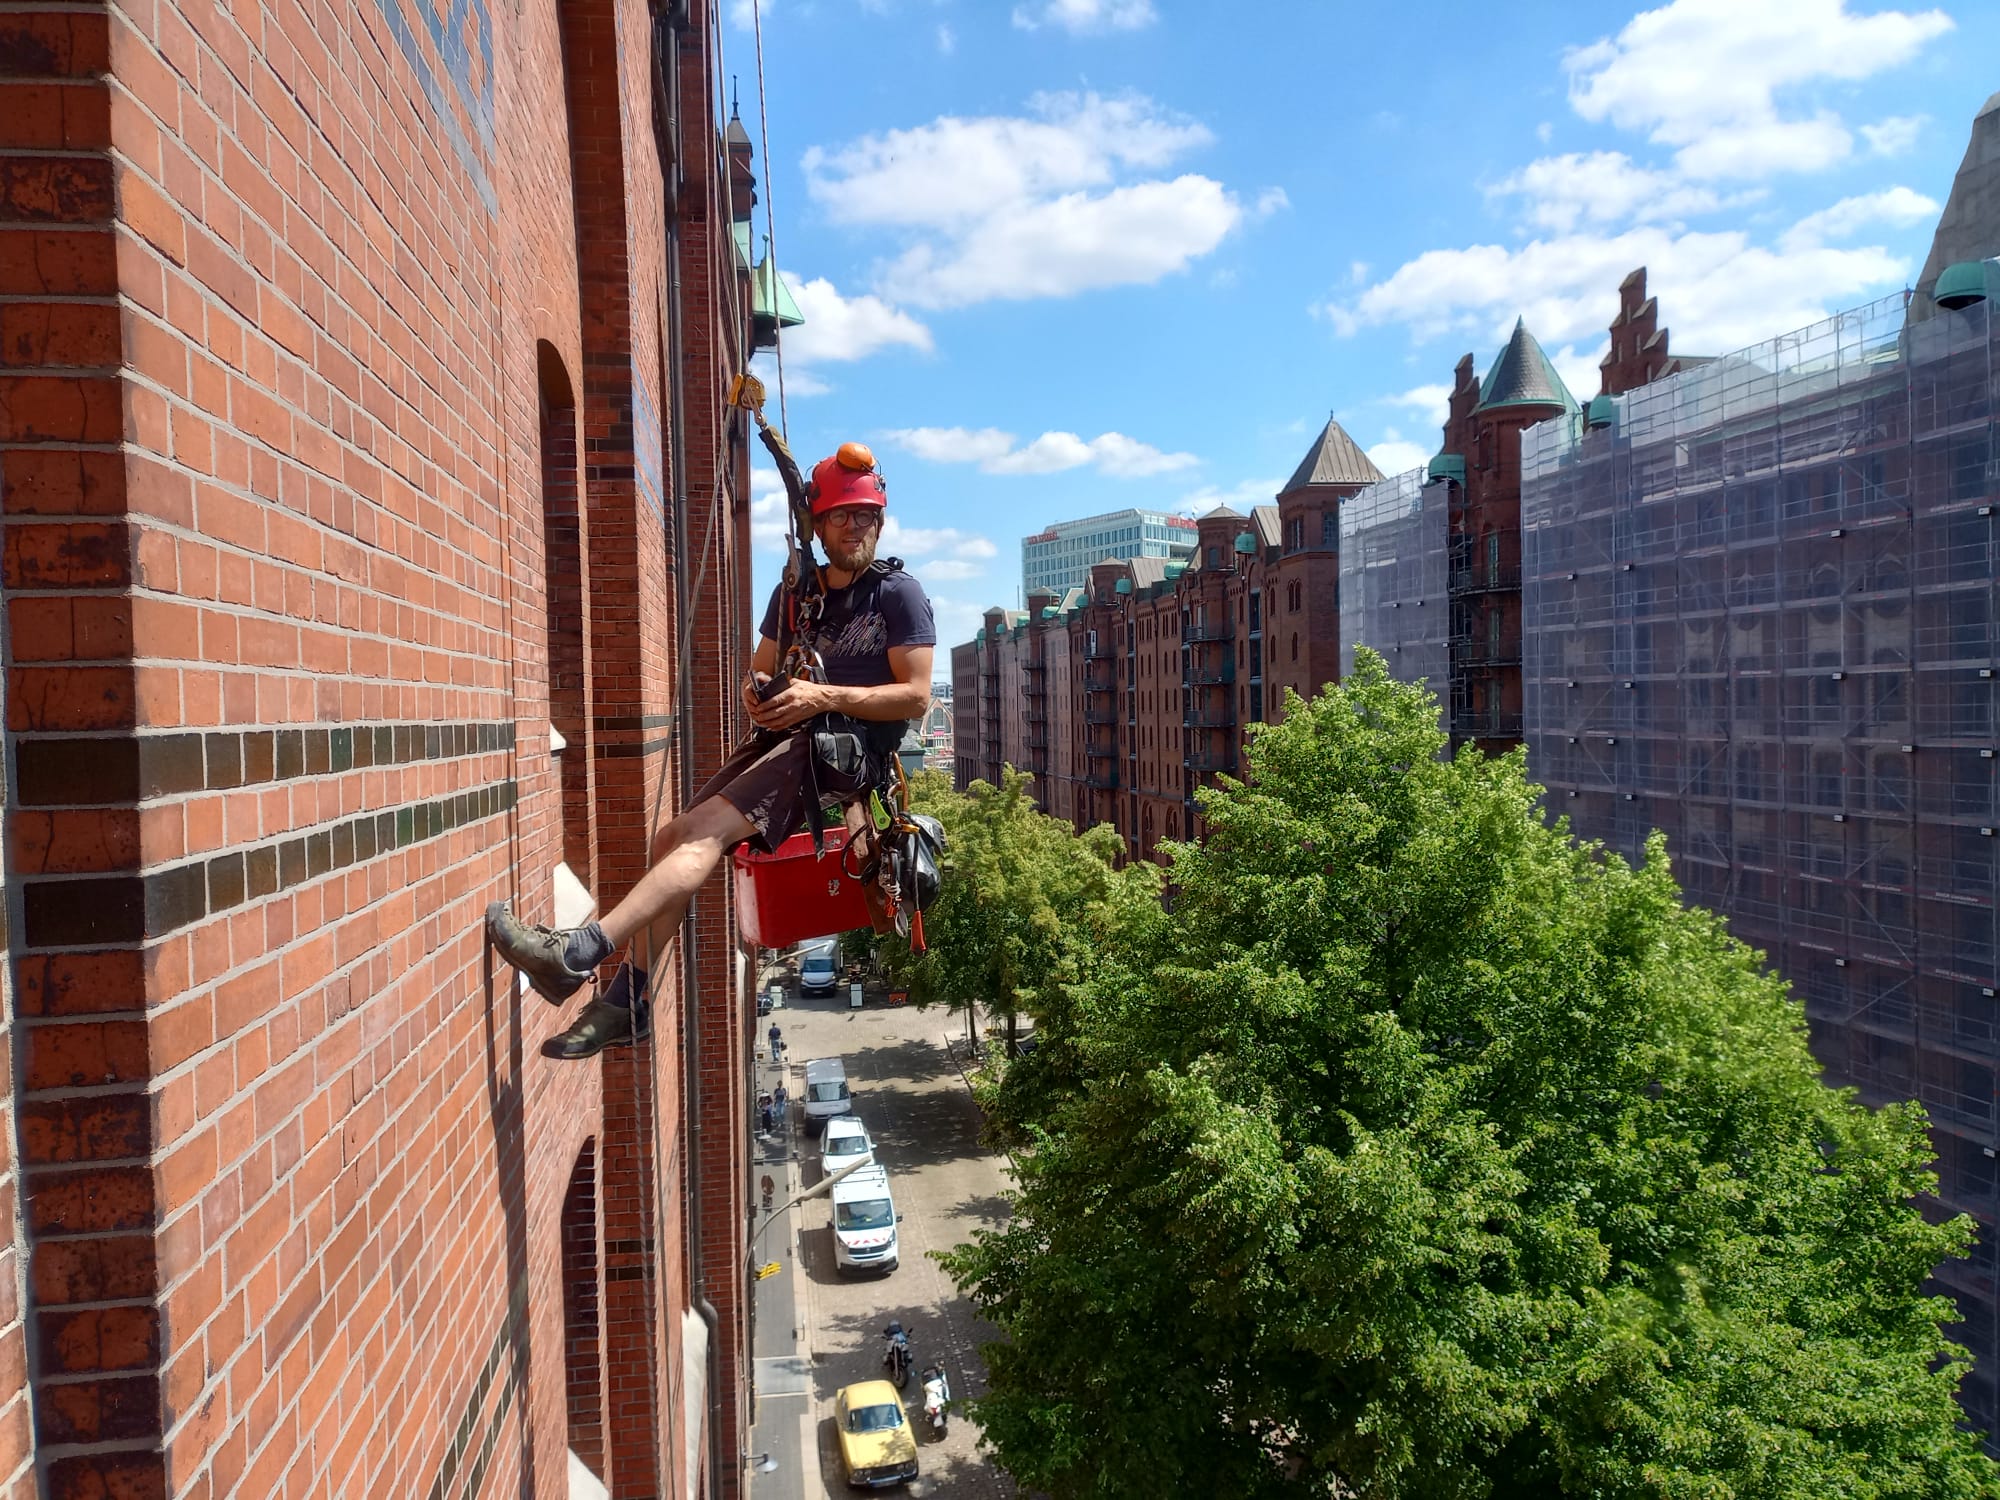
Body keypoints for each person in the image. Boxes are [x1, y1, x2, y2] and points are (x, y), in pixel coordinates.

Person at [486, 440, 935, 1058]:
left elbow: (916, 696)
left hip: (838, 754)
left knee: (701, 836)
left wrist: (821, 696)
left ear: (879, 523)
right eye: (841, 516)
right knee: (672, 838)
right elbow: (762, 666)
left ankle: (578, 951)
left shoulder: (897, 594)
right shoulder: (797, 594)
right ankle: (627, 1003)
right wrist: (758, 691)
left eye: (865, 516)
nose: (855, 527)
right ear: (818, 524)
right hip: (787, 738)